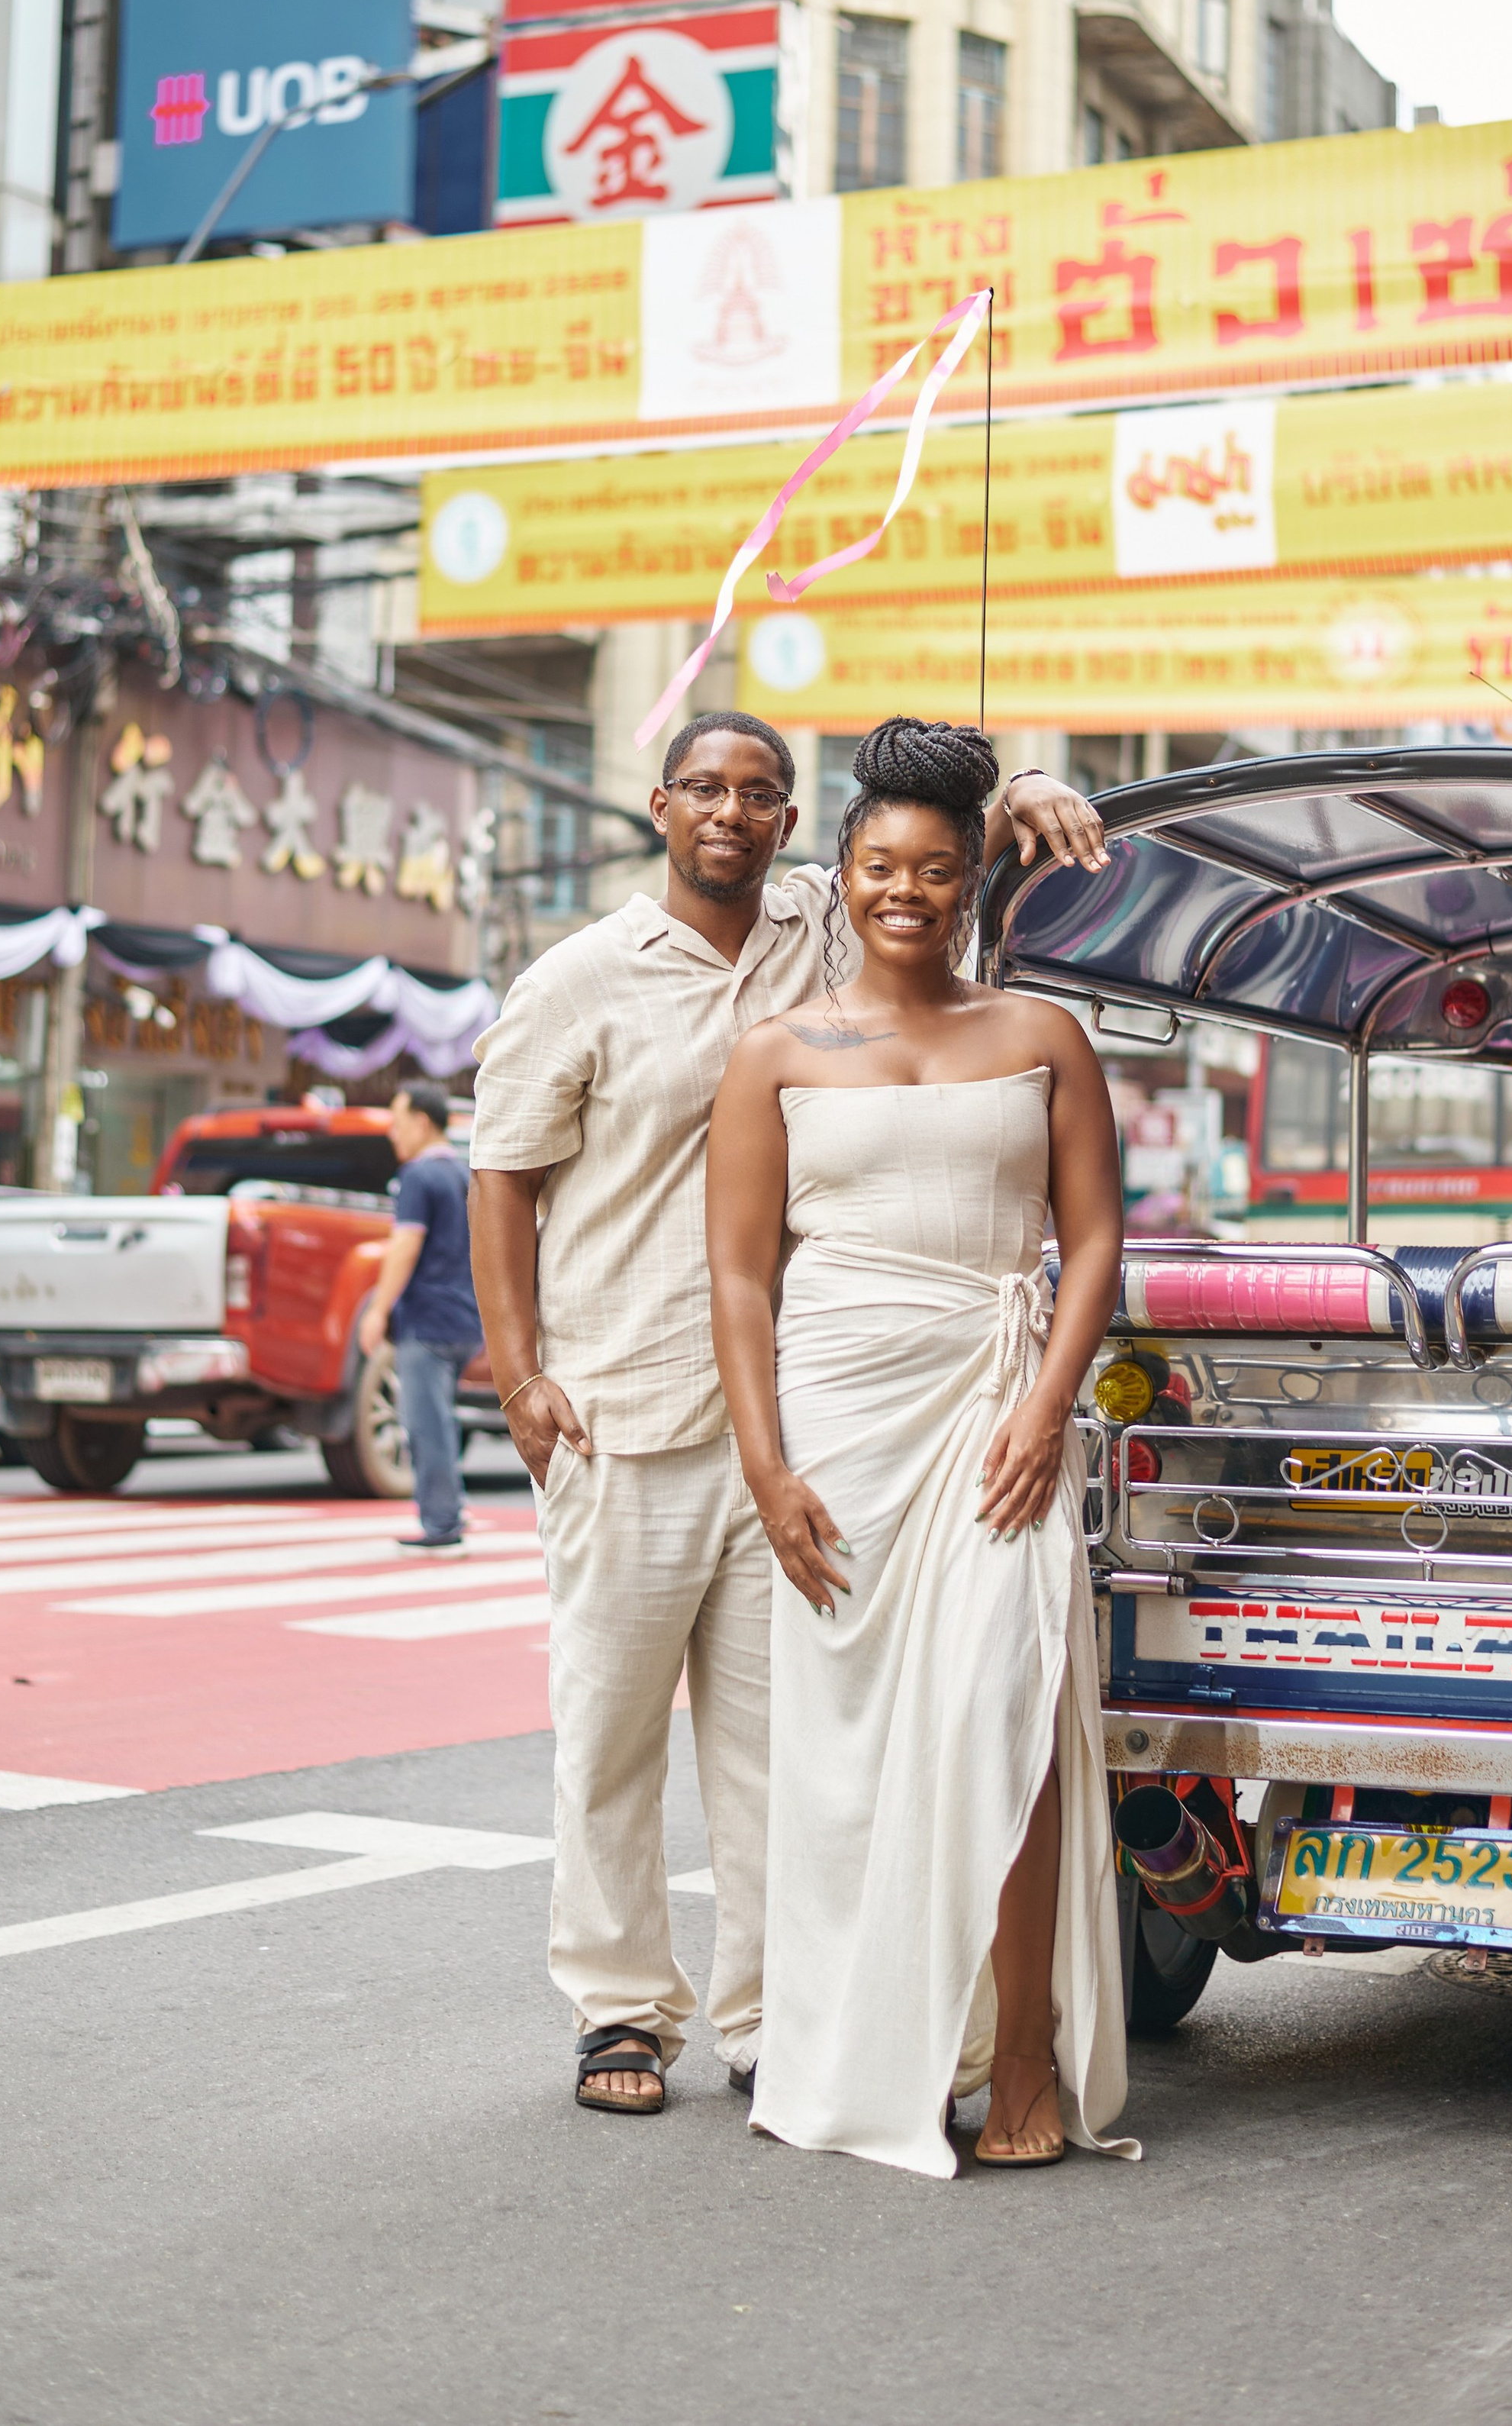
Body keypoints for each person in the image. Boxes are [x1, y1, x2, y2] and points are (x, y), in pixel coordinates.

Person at [468, 711, 1107, 2117]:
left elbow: (933, 848)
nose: (733, 814)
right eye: (706, 788)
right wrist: (521, 1375)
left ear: (788, 819)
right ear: (658, 805)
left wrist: (1036, 784)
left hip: (805, 1426)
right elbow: (501, 1175)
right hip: (624, 1404)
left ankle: (776, 2017)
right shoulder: (575, 980)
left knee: (783, 1749)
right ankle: (621, 2011)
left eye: (761, 794)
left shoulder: (818, 921)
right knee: (614, 1734)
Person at [706, 717, 1133, 2179]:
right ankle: (851, 2052)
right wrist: (766, 1468)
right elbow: (742, 1278)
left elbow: (1094, 1244)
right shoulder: (773, 1052)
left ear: (974, 885)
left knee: (1002, 1720)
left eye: (938, 870)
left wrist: (1047, 1406)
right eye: (882, 865)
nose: (909, 891)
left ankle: (1024, 2062)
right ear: (844, 873)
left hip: (999, 1418)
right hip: (838, 1430)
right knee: (842, 1759)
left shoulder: (1040, 1036)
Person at [358, 1082, 482, 1553]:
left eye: (398, 1120)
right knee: (441, 1419)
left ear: (422, 1122)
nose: (392, 1132)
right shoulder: (463, 1173)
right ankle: (450, 1508)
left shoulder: (417, 1177)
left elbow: (404, 1246)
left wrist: (377, 1309)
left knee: (424, 1424)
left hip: (426, 1320)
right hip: (464, 1318)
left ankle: (442, 1524)